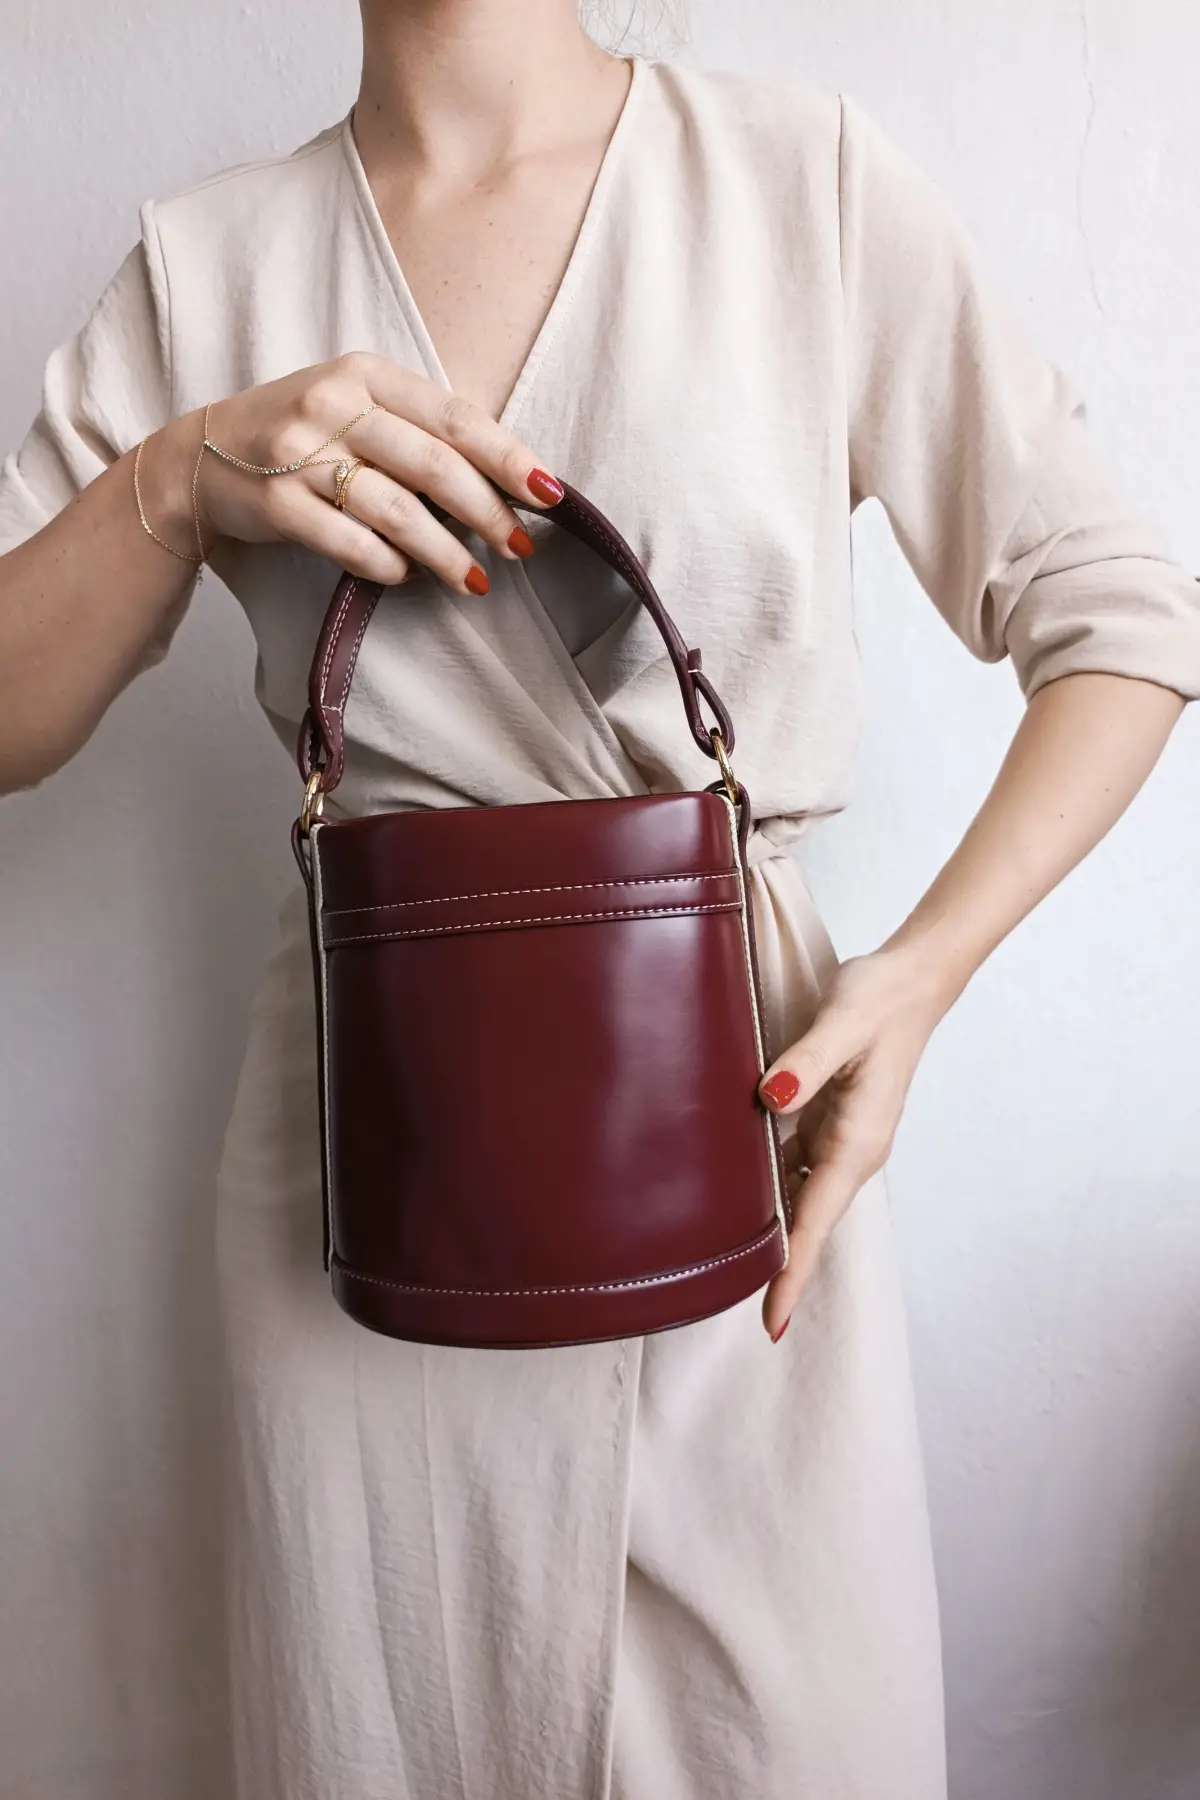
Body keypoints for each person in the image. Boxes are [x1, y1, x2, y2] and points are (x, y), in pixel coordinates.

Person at [2, 5, 1198, 1796]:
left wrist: (920, 978)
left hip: (743, 1134)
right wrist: (176, 481)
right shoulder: (210, 266)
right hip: (372, 1166)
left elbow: (1123, 617)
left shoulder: (803, 184)